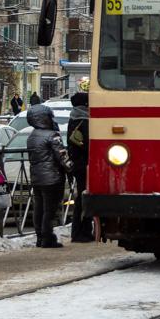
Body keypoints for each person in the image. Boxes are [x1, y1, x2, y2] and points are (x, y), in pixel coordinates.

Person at [26, 103, 71, 248]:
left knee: (39, 209)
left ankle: (39, 237)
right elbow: (62, 157)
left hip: (36, 177)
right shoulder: (52, 136)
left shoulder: (32, 136)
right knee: (50, 210)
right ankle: (48, 238)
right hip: (52, 178)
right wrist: (72, 168)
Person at [66, 88, 92, 242]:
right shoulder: (85, 120)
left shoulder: (73, 118)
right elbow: (89, 143)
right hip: (85, 163)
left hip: (77, 163)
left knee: (81, 197)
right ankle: (80, 232)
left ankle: (81, 231)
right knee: (83, 198)